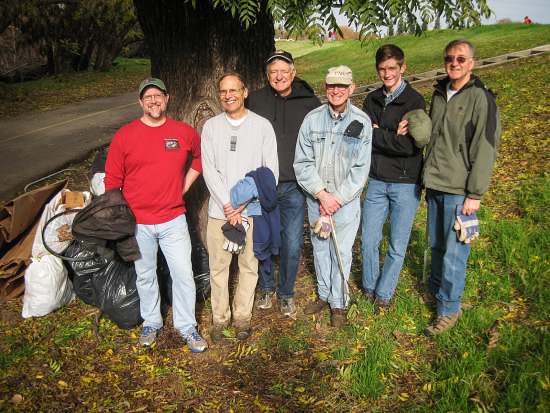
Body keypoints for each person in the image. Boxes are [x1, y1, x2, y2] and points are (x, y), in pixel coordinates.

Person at [104, 78, 207, 352]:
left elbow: (198, 158)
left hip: (173, 220)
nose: (153, 101)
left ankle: (187, 326)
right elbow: (112, 179)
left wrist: (182, 187)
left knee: (184, 274)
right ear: (140, 102)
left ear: (167, 98)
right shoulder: (124, 136)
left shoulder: (183, 132)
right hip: (138, 223)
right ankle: (152, 321)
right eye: (147, 97)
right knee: (145, 274)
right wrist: (119, 215)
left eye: (158, 96)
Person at [422, 39, 500, 336]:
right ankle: (435, 291)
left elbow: (486, 147)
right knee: (438, 245)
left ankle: (449, 309)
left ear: (472, 63)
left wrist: (475, 194)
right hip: (437, 184)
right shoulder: (440, 94)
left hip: (460, 190)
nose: (454, 63)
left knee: (455, 252)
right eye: (450, 58)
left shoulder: (481, 98)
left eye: (461, 58)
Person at [201, 72, 279, 342]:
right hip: (218, 213)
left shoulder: (261, 126)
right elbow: (208, 170)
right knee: (218, 268)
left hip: (252, 212)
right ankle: (219, 318)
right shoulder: (211, 128)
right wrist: (227, 205)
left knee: (249, 266)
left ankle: (242, 316)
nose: (228, 96)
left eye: (234, 90)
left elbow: (270, 174)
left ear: (244, 92)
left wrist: (241, 205)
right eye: (223, 91)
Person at [294, 65, 372, 327]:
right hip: (317, 200)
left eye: (342, 86)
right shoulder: (312, 120)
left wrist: (336, 198)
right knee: (320, 248)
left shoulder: (361, 122)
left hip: (344, 203)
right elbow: (302, 163)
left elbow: (361, 170)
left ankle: (339, 303)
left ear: (351, 88)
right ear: (325, 88)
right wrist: (320, 194)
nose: (336, 91)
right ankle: (324, 294)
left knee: (342, 252)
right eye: (331, 86)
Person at [246, 50, 321, 317]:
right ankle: (266, 286)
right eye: (273, 72)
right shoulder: (255, 99)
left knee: (292, 241)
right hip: (264, 184)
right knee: (263, 237)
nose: (279, 76)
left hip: (294, 185)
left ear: (293, 72)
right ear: (267, 76)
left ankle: (286, 294)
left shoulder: (310, 102)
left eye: (284, 70)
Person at [360, 45, 428, 314]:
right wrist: (393, 136)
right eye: (382, 69)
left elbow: (412, 146)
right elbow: (366, 139)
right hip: (376, 179)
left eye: (392, 68)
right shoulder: (371, 101)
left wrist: (380, 133)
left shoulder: (415, 102)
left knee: (397, 244)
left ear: (402, 67)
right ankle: (368, 287)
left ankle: (383, 293)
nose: (386, 74)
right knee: (368, 240)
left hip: (405, 182)